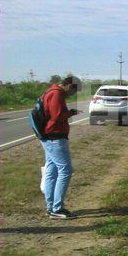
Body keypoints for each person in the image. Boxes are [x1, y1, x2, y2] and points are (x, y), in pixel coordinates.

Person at [41, 76, 82, 219]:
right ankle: (57, 209)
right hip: (55, 137)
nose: (72, 95)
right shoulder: (57, 94)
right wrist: (71, 113)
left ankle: (51, 206)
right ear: (70, 86)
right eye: (73, 92)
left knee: (51, 171)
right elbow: (57, 116)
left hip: (50, 137)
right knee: (65, 170)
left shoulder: (51, 92)